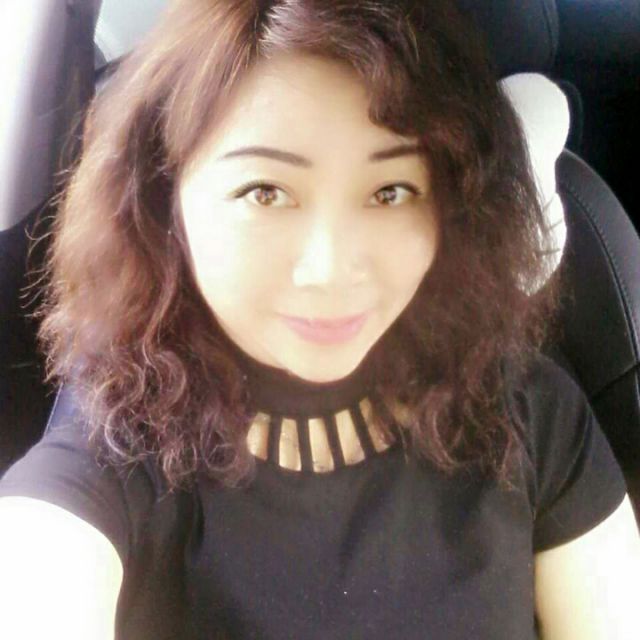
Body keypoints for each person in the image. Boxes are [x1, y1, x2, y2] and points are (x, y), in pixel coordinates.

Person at [1, 0, 639, 638]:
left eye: (391, 192)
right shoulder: (112, 454)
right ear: (165, 200)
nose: (328, 271)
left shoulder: (529, 413)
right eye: (265, 192)